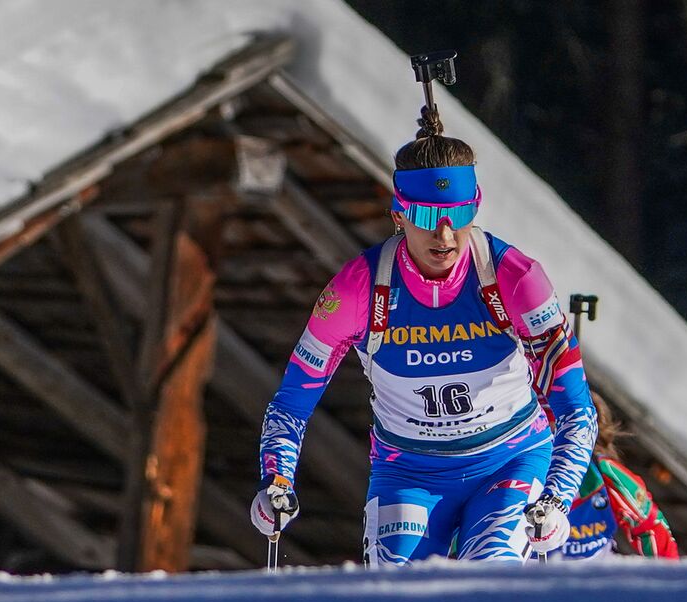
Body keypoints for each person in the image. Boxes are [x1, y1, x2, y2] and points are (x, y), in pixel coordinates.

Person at [250, 107, 597, 564]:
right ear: (399, 213)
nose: (445, 234)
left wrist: (555, 499)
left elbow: (576, 407)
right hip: (410, 473)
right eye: (427, 214)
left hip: (510, 462)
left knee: (490, 578)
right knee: (398, 599)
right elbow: (293, 401)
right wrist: (277, 481)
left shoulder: (515, 278)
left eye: (458, 213)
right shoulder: (358, 289)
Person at [556, 392, 679, 560]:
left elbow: (651, 525)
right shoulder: (523, 468)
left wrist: (670, 578)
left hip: (592, 576)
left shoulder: (606, 473)